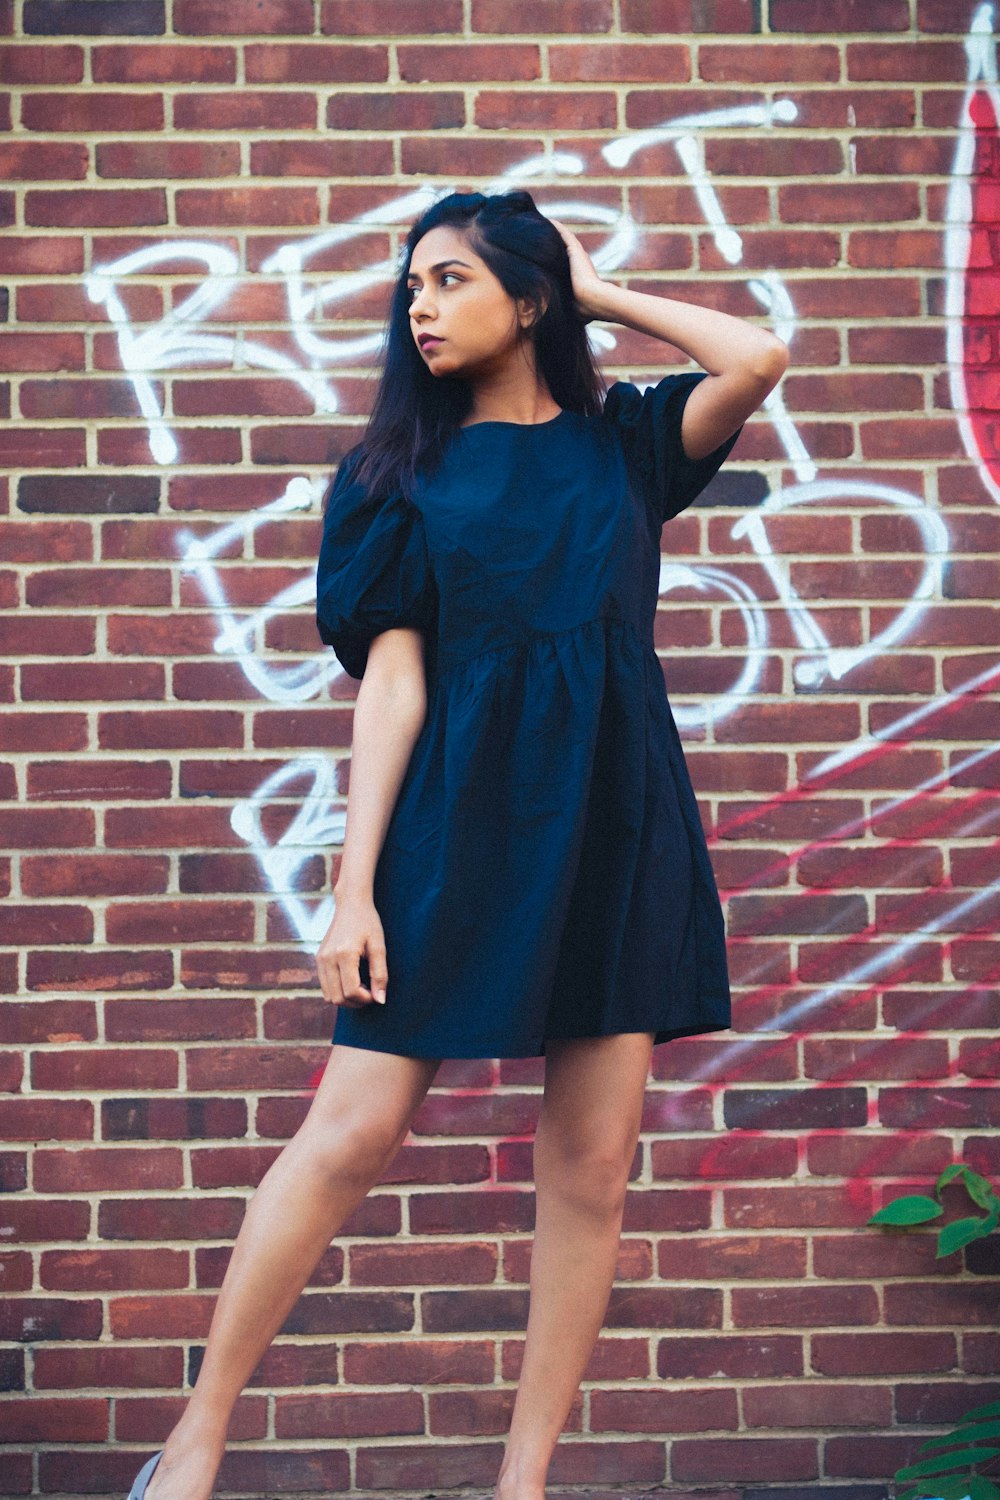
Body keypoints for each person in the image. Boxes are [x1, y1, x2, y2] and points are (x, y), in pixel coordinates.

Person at [125, 190, 788, 1500]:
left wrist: (593, 292)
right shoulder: (394, 479)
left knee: (592, 1163)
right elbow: (393, 688)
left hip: (611, 815)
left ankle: (521, 1482)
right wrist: (352, 887)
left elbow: (755, 357)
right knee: (350, 1130)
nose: (417, 307)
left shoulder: (629, 443)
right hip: (458, 817)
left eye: (449, 280)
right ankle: (195, 1438)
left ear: (528, 297)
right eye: (409, 285)